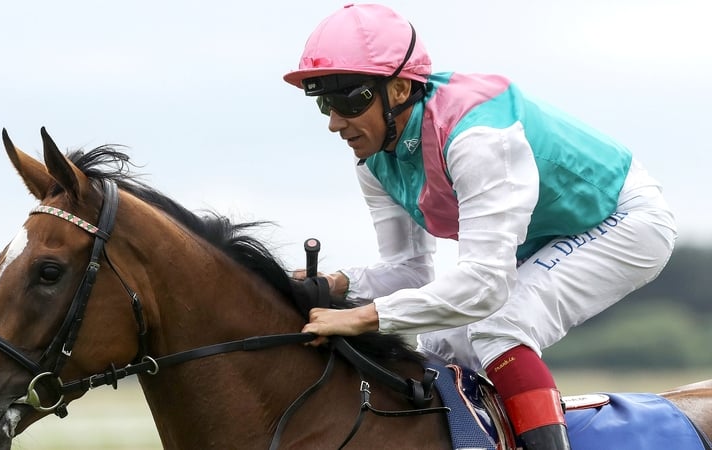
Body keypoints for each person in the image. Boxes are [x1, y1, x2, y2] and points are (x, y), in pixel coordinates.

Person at [283, 3, 678, 450]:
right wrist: (337, 284)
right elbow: (410, 272)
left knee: (501, 324)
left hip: (624, 220)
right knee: (438, 343)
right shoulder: (374, 161)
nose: (335, 122)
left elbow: (486, 285)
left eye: (348, 100)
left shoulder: (477, 138)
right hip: (542, 240)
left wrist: (362, 316)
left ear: (399, 88)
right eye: (324, 103)